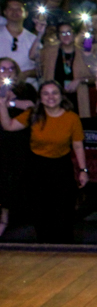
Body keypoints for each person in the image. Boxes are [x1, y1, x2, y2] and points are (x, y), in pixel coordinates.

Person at [0, 81, 87, 242]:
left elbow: (77, 145)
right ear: (40, 98)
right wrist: (2, 105)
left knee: (64, 211)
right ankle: (44, 248)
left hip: (61, 166)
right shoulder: (33, 114)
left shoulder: (72, 118)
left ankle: (66, 248)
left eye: (54, 93)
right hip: (37, 167)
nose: (50, 97)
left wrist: (83, 170)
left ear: (61, 96)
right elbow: (9, 126)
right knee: (41, 211)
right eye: (46, 94)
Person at [0, 58, 37, 237]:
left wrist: (12, 103)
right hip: (1, 137)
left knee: (19, 175)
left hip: (20, 138)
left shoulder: (26, 89)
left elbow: (32, 106)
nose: (7, 72)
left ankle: (19, 218)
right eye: (2, 69)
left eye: (10, 68)